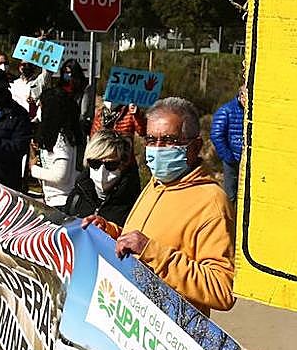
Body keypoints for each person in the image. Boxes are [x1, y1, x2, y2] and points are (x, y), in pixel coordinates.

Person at [81, 96, 234, 317]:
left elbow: (222, 289)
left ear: (196, 146)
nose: (158, 148)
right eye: (151, 140)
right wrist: (110, 233)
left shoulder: (212, 202)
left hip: (169, 337)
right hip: (131, 321)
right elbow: (140, 241)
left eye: (169, 140)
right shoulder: (155, 184)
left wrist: (151, 252)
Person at [63, 131, 141, 225]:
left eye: (111, 165)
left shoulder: (135, 204)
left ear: (123, 164)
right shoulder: (77, 196)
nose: (102, 171)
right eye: (95, 163)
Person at [28, 86, 83, 208]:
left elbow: (60, 176)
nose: (39, 109)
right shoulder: (57, 135)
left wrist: (33, 169)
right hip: (54, 200)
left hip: (62, 203)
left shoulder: (62, 139)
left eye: (41, 106)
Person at [210, 84, 245, 205]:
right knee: (230, 196)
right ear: (241, 95)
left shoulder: (252, 112)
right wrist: (228, 157)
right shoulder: (226, 111)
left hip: (246, 161)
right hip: (232, 160)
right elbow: (216, 135)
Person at [58, 58, 93, 131]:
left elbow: (84, 112)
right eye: (65, 72)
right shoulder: (61, 88)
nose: (67, 75)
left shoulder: (85, 88)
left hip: (77, 127)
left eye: (69, 72)